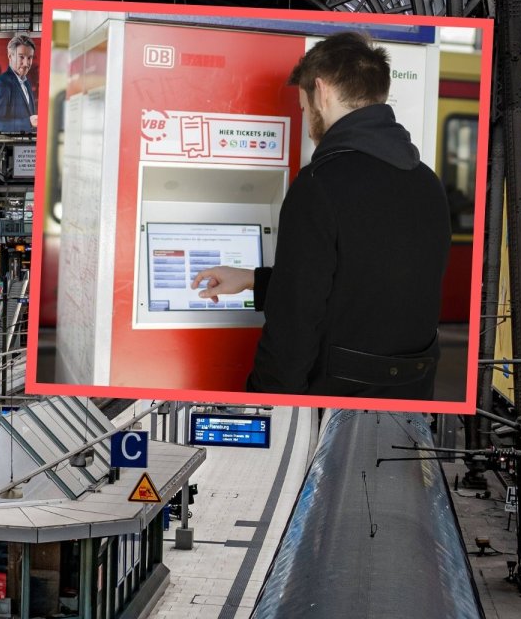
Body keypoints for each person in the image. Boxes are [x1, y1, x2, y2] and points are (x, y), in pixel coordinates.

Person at [190, 32, 450, 400]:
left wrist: (267, 403)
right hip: (411, 400)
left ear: (321, 91)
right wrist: (253, 280)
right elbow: (365, 287)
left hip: (334, 406)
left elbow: (294, 324)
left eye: (302, 106)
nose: (306, 119)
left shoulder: (319, 184)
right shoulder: (427, 182)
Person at [0, 34, 38, 133]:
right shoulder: (1, 84)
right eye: (21, 57)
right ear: (10, 56)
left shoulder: (27, 83)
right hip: (9, 148)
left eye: (29, 58)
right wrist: (28, 122)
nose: (26, 63)